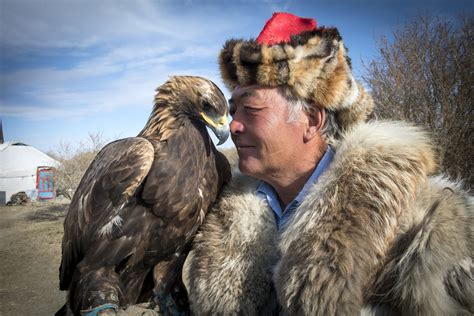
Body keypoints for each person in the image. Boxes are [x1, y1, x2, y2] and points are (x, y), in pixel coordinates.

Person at [182, 12, 473, 315]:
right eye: (234, 110)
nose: (233, 125)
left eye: (252, 108)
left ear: (311, 119)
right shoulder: (210, 204)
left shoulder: (427, 225)